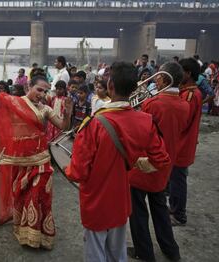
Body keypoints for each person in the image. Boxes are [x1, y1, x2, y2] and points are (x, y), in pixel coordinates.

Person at [66, 61, 171, 262]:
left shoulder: (93, 124)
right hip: (121, 197)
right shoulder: (145, 120)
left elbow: (77, 173)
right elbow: (161, 159)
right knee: (117, 251)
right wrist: (139, 162)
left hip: (96, 201)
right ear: (134, 87)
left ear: (111, 86)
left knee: (96, 251)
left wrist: (66, 167)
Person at [0, 59, 73, 249]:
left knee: (39, 197)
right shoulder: (14, 103)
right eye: (39, 90)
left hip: (42, 162)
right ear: (28, 87)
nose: (42, 94)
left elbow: (63, 127)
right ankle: (25, 233)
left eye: (45, 91)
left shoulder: (46, 109)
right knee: (22, 196)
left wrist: (69, 113)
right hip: (20, 161)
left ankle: (39, 236)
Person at [128, 62, 188, 262]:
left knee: (138, 211)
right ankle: (171, 250)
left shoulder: (153, 103)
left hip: (145, 163)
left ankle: (144, 252)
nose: (154, 78)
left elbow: (138, 129)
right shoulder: (184, 104)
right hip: (165, 163)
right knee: (160, 207)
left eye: (156, 76)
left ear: (163, 78)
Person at [170, 58, 203, 226]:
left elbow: (183, 121)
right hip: (181, 144)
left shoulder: (190, 94)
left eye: (180, 71)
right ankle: (174, 208)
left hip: (182, 145)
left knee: (178, 181)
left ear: (188, 73)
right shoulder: (187, 92)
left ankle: (179, 214)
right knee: (175, 179)